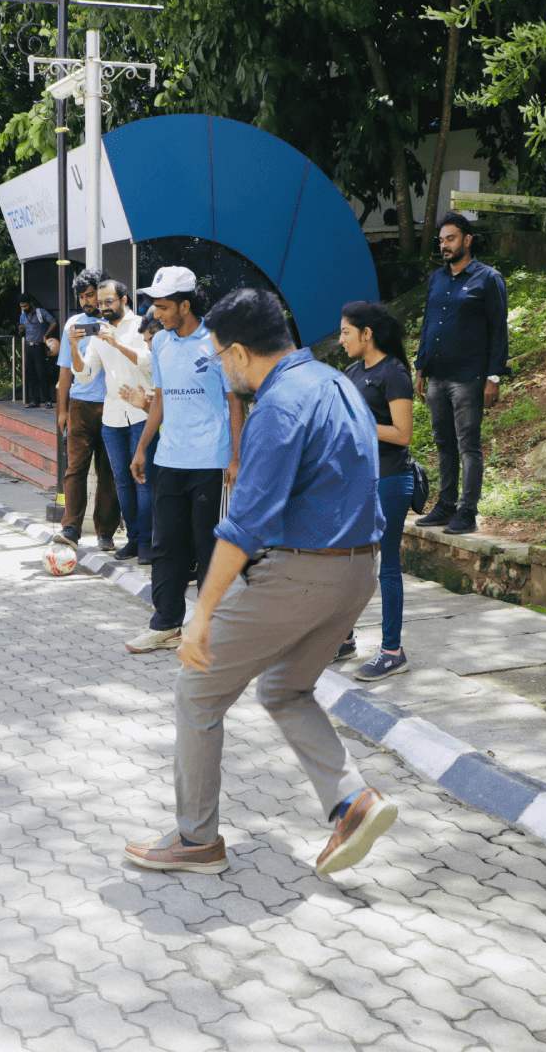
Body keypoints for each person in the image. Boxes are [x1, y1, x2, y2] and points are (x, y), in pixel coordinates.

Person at [123, 288, 397, 876]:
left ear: (241, 352)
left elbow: (242, 527)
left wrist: (201, 616)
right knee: (285, 688)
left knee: (197, 692)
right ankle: (353, 799)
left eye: (222, 356)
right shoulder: (337, 383)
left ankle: (196, 841)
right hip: (359, 570)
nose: (223, 368)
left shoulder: (278, 407)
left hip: (302, 572)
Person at [125, 267, 243, 654]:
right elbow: (159, 397)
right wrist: (143, 447)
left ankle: (211, 628)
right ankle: (166, 625)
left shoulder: (218, 340)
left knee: (208, 547)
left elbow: (234, 401)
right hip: (169, 457)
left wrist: (236, 457)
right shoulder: (160, 343)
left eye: (162, 306)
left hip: (210, 460)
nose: (156, 313)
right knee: (166, 545)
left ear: (185, 305)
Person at [413, 213, 507, 535]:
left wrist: (494, 378)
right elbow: (428, 323)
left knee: (469, 446)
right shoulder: (437, 279)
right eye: (441, 240)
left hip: (468, 378)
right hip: (437, 376)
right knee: (443, 444)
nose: (444, 245)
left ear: (467, 240)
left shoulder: (488, 279)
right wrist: (420, 366)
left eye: (450, 239)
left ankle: (467, 512)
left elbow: (498, 330)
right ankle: (445, 505)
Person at [336, 301, 415, 680]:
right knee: (347, 561)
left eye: (346, 332)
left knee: (387, 567)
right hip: (355, 478)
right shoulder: (352, 371)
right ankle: (344, 638)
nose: (341, 340)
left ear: (367, 334)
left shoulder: (394, 373)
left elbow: (402, 434)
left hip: (390, 478)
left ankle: (392, 650)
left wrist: (359, 421)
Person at [75, 279, 154, 560]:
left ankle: (146, 543)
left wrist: (117, 343)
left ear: (123, 299)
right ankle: (133, 540)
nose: (104, 308)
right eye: (100, 304)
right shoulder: (99, 332)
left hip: (141, 414)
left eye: (109, 302)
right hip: (112, 418)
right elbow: (85, 375)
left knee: (142, 480)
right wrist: (74, 347)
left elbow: (148, 359)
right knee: (121, 481)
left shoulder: (142, 324)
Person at [54, 268, 120, 550]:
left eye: (90, 295)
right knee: (75, 469)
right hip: (79, 406)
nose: (86, 302)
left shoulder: (116, 324)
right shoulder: (74, 324)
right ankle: (70, 529)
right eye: (81, 297)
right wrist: (62, 411)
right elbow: (65, 373)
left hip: (113, 406)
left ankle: (105, 532)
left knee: (108, 471)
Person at [18, 292, 57, 408]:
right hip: (28, 346)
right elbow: (21, 334)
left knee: (42, 373)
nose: (24, 308)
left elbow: (54, 322)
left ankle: (47, 400)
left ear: (30, 303)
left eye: (25, 306)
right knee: (31, 374)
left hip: (39, 346)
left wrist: (46, 335)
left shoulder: (40, 313)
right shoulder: (23, 316)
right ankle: (34, 400)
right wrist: (20, 331)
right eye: (22, 307)